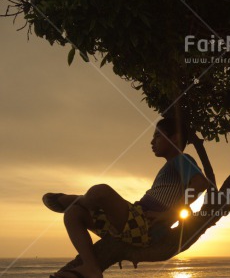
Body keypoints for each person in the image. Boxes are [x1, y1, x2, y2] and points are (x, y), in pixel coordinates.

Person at [44, 117, 209, 278]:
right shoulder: (169, 167)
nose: (152, 142)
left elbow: (201, 183)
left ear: (175, 138)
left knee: (100, 191)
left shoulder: (183, 159)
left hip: (144, 226)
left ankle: (75, 199)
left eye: (158, 136)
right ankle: (91, 267)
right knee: (73, 214)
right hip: (132, 221)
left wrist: (172, 213)